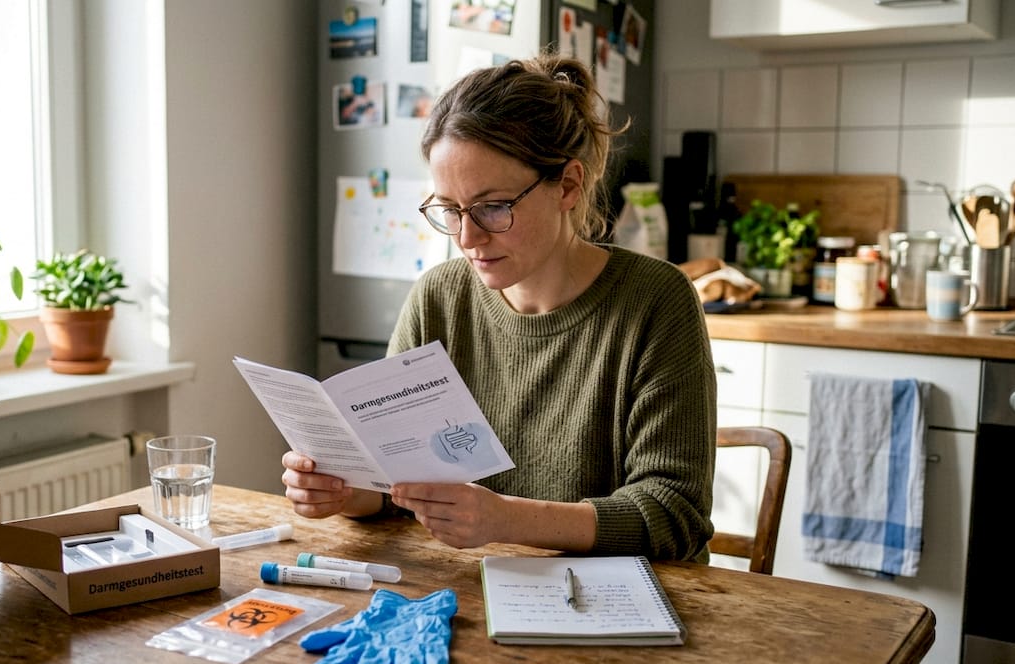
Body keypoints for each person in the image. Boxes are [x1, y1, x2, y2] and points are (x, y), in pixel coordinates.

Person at [282, 52, 716, 561]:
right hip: (464, 596)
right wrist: (342, 489)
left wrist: (505, 519)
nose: (467, 237)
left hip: (614, 611)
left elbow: (675, 514)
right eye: (449, 209)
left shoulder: (656, 302)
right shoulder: (438, 298)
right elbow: (392, 482)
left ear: (568, 187)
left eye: (492, 207)